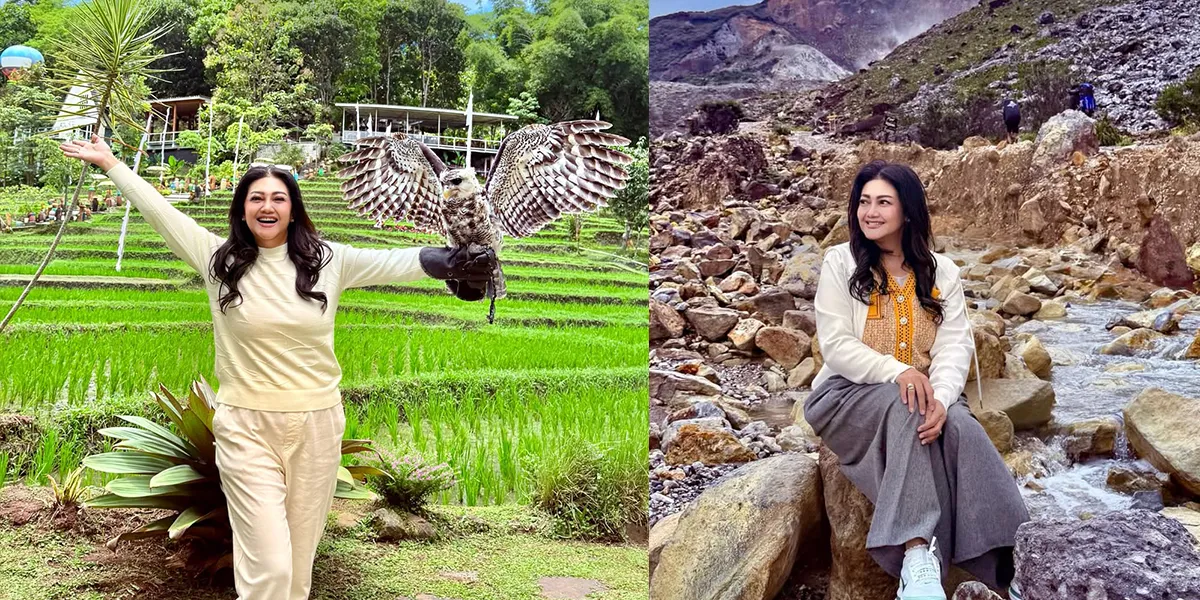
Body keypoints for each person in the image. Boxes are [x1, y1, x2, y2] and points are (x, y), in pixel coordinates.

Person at [59, 134, 496, 600]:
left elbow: (394, 261)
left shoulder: (329, 261)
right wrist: (111, 163)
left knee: (297, 569)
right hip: (245, 428)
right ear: (242, 209)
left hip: (317, 426)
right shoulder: (217, 260)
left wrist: (448, 261)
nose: (267, 207)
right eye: (256, 198)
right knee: (269, 567)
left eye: (278, 198)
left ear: (293, 209)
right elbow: (163, 213)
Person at [804, 160, 1028, 600]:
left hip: (924, 391)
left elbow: (953, 346)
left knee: (962, 428)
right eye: (864, 202)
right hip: (846, 395)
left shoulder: (942, 271)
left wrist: (943, 399)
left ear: (907, 210)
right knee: (907, 402)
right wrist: (898, 372)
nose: (870, 212)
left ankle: (1013, 563)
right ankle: (916, 554)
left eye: (883, 202)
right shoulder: (840, 261)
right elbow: (836, 346)